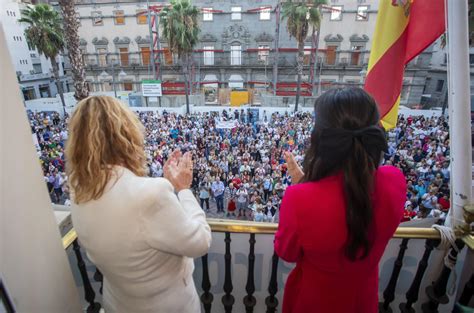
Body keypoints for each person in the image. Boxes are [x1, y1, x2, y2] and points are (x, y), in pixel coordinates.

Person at [66, 96, 211, 313]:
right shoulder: (151, 195)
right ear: (126, 135)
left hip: (119, 303)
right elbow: (200, 241)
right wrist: (183, 189)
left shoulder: (78, 188)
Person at [274, 88, 406, 313]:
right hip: (362, 299)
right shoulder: (394, 180)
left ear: (321, 138)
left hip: (314, 301)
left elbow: (287, 252)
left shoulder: (299, 198)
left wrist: (304, 187)